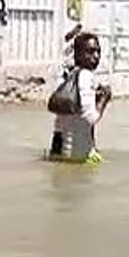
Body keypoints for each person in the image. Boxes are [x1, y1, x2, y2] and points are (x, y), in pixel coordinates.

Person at [48, 32, 111, 165]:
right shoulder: (86, 76)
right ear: (78, 54)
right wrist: (103, 100)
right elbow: (90, 118)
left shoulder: (68, 75)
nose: (96, 56)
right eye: (90, 52)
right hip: (78, 154)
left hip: (58, 149)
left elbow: (72, 111)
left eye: (98, 52)